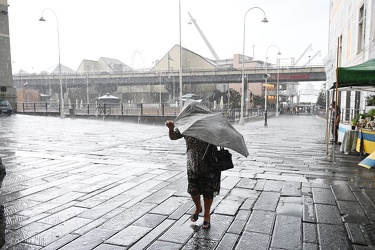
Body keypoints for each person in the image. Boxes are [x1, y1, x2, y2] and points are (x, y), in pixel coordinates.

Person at [165, 119, 221, 229]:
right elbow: (173, 137)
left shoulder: (210, 125)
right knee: (193, 190)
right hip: (193, 164)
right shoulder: (186, 126)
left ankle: (206, 215)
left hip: (210, 164)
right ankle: (198, 207)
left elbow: (220, 139)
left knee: (208, 191)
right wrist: (171, 128)